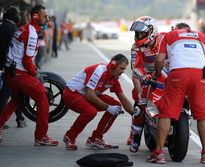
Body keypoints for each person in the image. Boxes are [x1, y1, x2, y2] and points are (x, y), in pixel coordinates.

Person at [147, 23, 205, 164]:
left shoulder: (170, 35)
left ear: (177, 29)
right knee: (203, 115)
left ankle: (159, 153)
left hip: (178, 74)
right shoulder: (203, 37)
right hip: (199, 76)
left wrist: (156, 75)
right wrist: (204, 72)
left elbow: (160, 59)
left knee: (166, 113)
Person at [0, 4, 59, 146]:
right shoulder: (31, 32)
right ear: (35, 17)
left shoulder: (26, 28)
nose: (47, 20)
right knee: (42, 98)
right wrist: (35, 74)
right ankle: (41, 137)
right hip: (18, 73)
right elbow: (27, 61)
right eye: (45, 17)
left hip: (11, 71)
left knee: (17, 100)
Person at [63, 54, 137, 150]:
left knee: (116, 106)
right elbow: (90, 95)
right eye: (121, 68)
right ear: (113, 65)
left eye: (124, 69)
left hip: (84, 96)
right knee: (90, 111)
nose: (122, 72)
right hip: (71, 94)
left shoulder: (114, 79)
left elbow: (123, 99)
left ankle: (95, 138)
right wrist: (108, 108)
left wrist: (136, 114)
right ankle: (70, 136)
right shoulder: (99, 71)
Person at [127, 16, 167, 153]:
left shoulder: (165, 39)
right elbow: (135, 67)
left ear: (151, 31)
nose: (137, 36)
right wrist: (144, 77)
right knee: (139, 106)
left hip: (169, 77)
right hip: (148, 78)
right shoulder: (136, 47)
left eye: (140, 33)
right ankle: (135, 138)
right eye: (136, 33)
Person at [0, 6, 26, 128]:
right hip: (8, 66)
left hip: (4, 65)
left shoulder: (2, 26)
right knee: (8, 93)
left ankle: (20, 118)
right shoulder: (13, 29)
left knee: (13, 92)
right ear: (15, 17)